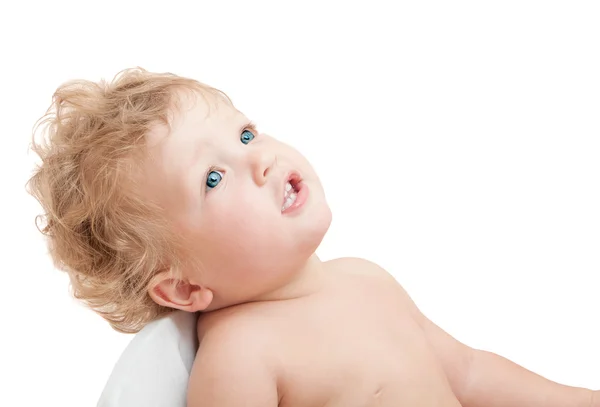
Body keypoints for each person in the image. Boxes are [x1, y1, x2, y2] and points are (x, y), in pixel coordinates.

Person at [28, 68, 598, 407]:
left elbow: (468, 374)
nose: (260, 160)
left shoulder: (365, 278)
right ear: (182, 288)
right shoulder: (242, 355)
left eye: (246, 132)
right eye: (212, 178)